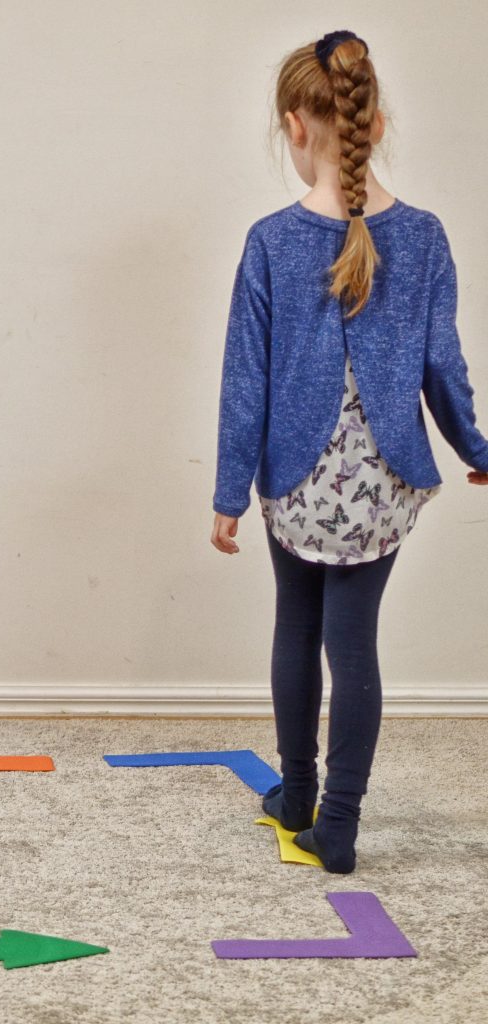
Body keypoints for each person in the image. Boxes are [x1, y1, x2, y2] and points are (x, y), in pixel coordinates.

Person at [209, 29, 488, 873]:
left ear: (297, 126)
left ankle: (296, 793)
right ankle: (339, 824)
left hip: (294, 476)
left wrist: (228, 490)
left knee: (296, 627)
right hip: (382, 477)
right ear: (373, 117)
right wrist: (476, 444)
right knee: (353, 644)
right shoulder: (429, 236)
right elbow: (445, 363)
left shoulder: (270, 240)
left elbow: (244, 383)